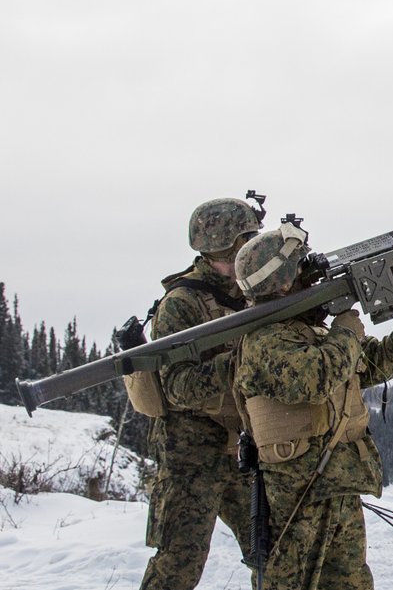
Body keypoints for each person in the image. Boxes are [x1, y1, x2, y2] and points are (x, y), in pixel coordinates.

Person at [232, 221, 393, 590]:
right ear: (282, 282)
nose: (310, 274)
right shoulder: (264, 341)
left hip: (339, 484)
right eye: (300, 268)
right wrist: (347, 328)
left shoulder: (313, 332)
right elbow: (315, 379)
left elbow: (379, 363)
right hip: (297, 497)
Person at [140, 196, 265, 590]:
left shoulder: (252, 290)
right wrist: (242, 361)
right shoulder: (181, 304)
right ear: (215, 249)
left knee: (272, 552)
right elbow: (177, 386)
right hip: (189, 457)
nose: (249, 253)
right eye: (240, 247)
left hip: (241, 449)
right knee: (178, 565)